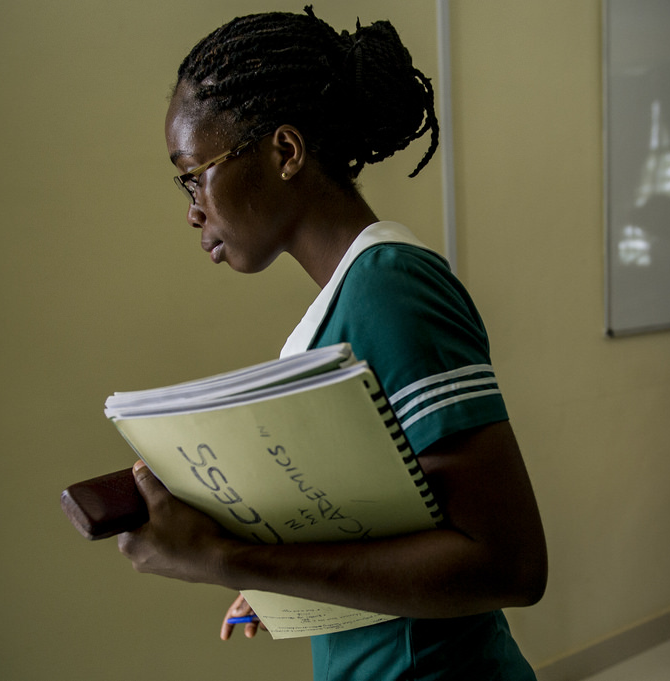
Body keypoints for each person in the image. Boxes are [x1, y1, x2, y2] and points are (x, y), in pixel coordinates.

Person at [117, 7, 547, 680]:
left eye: (195, 171)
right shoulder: (345, 305)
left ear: (285, 152)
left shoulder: (392, 289)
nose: (193, 208)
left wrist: (225, 557)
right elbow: (400, 530)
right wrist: (295, 586)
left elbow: (508, 563)